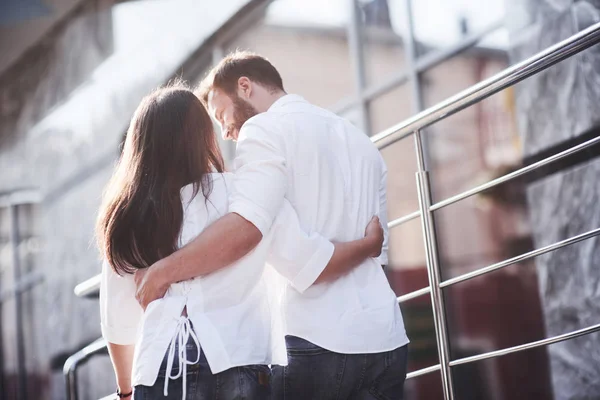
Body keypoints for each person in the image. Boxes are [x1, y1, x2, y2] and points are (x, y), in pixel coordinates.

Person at [135, 52, 410, 399]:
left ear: (245, 87)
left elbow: (259, 237)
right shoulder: (360, 140)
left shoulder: (262, 130)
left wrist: (161, 273)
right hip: (386, 337)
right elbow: (377, 249)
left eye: (222, 115)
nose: (226, 132)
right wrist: (364, 247)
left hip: (316, 341)